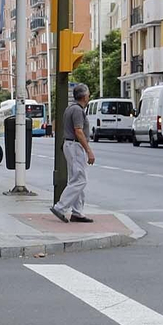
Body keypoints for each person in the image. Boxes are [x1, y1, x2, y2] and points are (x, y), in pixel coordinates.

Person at [51, 83, 96, 224]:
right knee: (80, 180)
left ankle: (77, 212)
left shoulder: (70, 108)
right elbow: (79, 131)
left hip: (70, 145)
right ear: (83, 96)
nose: (89, 96)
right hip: (75, 146)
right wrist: (89, 150)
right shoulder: (77, 110)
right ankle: (60, 207)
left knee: (76, 178)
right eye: (88, 94)